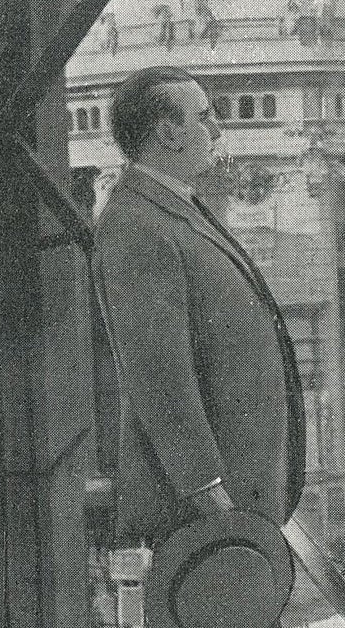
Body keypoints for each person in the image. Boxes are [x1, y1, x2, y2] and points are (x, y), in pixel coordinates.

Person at [93, 65, 306, 550]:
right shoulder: (137, 226)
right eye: (204, 117)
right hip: (205, 517)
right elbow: (161, 382)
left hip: (239, 501)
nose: (216, 130)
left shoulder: (172, 206)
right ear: (168, 133)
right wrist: (214, 500)